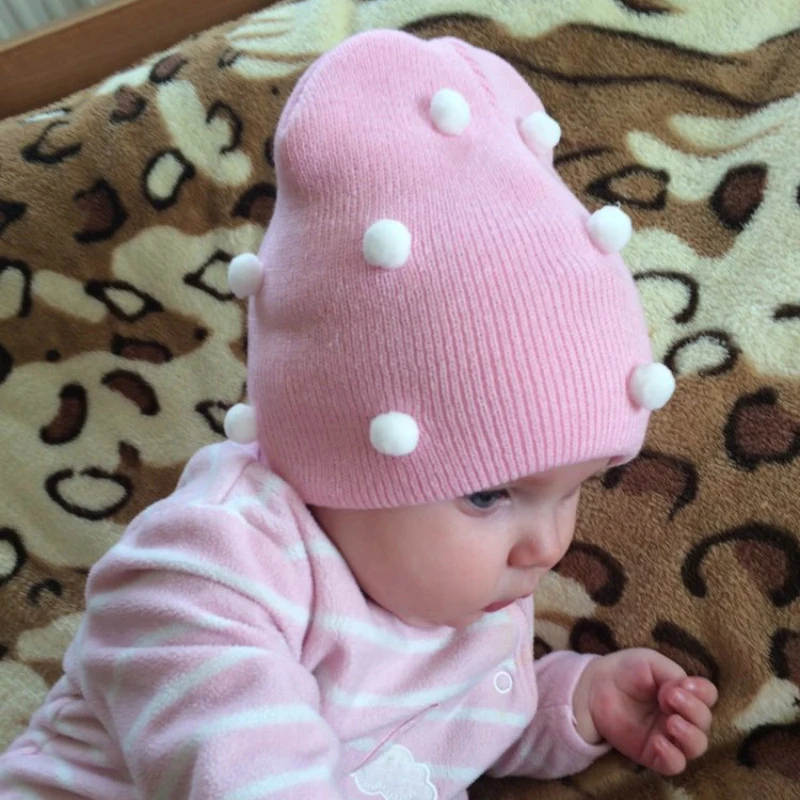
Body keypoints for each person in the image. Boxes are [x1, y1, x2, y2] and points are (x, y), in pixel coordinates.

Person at [0, 29, 717, 800]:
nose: (545, 545)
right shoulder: (212, 566)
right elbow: (247, 768)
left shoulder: (463, 593)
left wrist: (573, 704)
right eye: (487, 494)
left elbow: (446, 730)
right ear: (339, 461)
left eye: (573, 490)